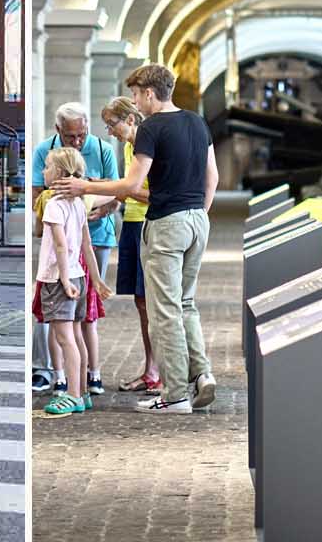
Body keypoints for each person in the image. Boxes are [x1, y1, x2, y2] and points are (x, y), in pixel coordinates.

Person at [54, 64, 218, 414]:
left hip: (167, 224)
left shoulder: (152, 128)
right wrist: (197, 213)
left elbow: (131, 186)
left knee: (164, 312)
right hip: (197, 222)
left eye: (135, 94)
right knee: (186, 304)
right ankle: (202, 374)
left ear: (148, 92)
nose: (134, 101)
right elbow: (212, 176)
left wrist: (85, 186)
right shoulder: (197, 122)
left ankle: (174, 395)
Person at [30, 102, 119, 395]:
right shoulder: (46, 153)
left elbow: (118, 192)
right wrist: (94, 278)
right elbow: (36, 197)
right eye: (71, 137)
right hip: (77, 266)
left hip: (66, 269)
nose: (79, 141)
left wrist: (99, 205)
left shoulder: (102, 150)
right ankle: (65, 381)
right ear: (58, 131)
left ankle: (72, 388)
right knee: (72, 327)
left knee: (67, 328)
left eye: (83, 135)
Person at [36, 147, 107, 417]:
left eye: (47, 166)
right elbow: (86, 245)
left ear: (59, 174)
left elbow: (60, 245)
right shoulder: (78, 203)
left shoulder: (54, 205)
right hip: (79, 274)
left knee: (65, 339)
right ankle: (84, 392)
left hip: (58, 277)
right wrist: (97, 279)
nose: (43, 171)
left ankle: (73, 395)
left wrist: (63, 280)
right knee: (76, 336)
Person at [102, 96, 161, 394]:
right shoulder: (128, 146)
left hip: (147, 226)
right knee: (140, 303)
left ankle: (160, 371)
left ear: (130, 119)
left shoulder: (148, 145)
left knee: (152, 303)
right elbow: (128, 189)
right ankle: (151, 369)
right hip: (132, 225)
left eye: (112, 125)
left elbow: (151, 194)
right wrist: (111, 202)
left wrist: (117, 190)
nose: (109, 131)